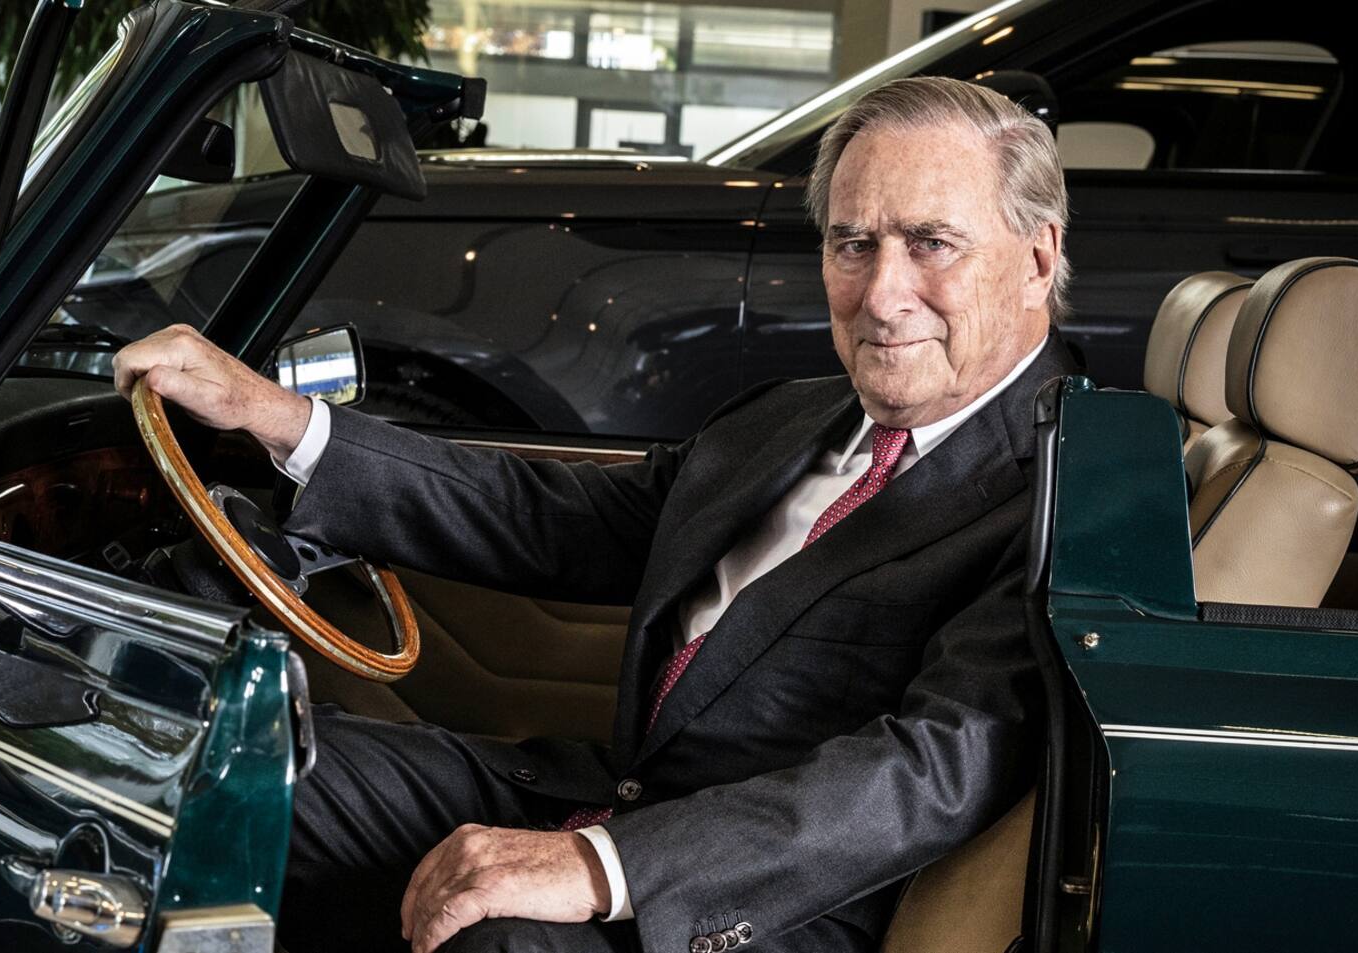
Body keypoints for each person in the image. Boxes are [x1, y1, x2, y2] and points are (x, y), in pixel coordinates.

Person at [114, 76, 1075, 953]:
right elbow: (556, 518)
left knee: (497, 941)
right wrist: (277, 418)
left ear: (1036, 260)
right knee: (219, 760)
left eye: (931, 244)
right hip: (594, 794)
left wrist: (601, 865)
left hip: (760, 904)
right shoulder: (785, 417)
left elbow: (927, 771)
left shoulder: (1066, 490)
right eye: (852, 244)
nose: (882, 293)